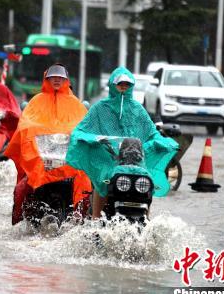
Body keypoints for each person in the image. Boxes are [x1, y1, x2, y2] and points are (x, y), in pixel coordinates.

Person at [66, 67, 179, 219]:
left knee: (147, 184)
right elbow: (80, 130)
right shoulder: (100, 108)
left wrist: (162, 142)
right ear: (113, 84)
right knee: (102, 182)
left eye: (126, 83)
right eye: (120, 83)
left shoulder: (137, 108)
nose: (123, 86)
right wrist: (95, 139)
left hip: (135, 160)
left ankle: (146, 218)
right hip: (108, 160)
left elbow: (152, 132)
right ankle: (96, 219)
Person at [5, 64, 91, 225]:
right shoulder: (36, 101)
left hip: (68, 159)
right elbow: (25, 124)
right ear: (47, 79)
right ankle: (18, 219)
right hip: (41, 157)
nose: (57, 80)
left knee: (87, 185)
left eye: (60, 77)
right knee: (21, 189)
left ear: (66, 80)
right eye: (53, 77)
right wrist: (36, 131)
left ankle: (84, 219)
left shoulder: (75, 104)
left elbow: (85, 127)